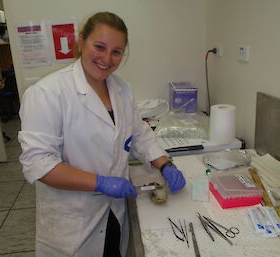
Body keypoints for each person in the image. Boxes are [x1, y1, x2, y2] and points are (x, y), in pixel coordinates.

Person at [18, 11, 186, 257]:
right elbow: (38, 165)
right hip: (74, 222)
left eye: (116, 51)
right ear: (81, 41)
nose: (107, 58)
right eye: (99, 47)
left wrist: (164, 164)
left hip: (114, 213)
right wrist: (101, 182)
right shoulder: (46, 93)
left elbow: (138, 132)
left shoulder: (122, 89)